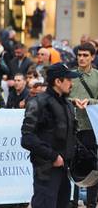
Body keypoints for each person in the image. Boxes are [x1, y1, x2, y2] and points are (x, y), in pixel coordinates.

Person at [21, 62, 80, 208]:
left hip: (64, 170)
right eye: (68, 80)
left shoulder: (67, 105)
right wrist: (53, 156)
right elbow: (27, 138)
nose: (71, 83)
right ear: (58, 81)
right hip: (46, 170)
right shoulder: (38, 103)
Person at [69, 43, 98, 207]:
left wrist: (90, 102)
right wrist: (72, 101)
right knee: (71, 165)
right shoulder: (70, 75)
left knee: (92, 166)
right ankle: (72, 200)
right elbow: (60, 97)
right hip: (71, 127)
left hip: (91, 127)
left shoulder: (97, 76)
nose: (81, 58)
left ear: (92, 57)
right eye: (79, 55)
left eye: (85, 55)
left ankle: (92, 203)